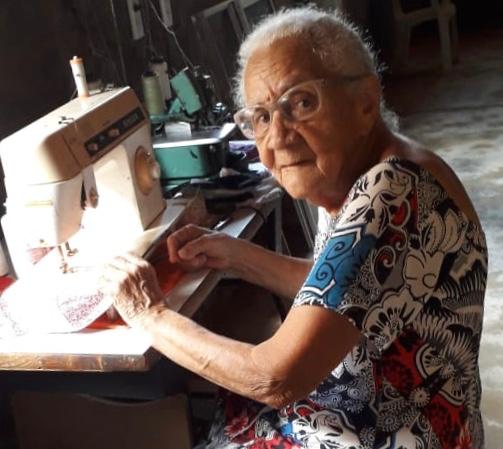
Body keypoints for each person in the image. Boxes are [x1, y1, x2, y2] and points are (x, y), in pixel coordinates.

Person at [100, 7, 487, 449]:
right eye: (260, 117)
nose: (278, 135)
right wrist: (236, 255)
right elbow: (345, 290)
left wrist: (149, 314)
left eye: (301, 103)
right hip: (395, 412)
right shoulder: (365, 172)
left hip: (394, 430)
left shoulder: (389, 194)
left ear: (365, 101)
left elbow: (274, 378)